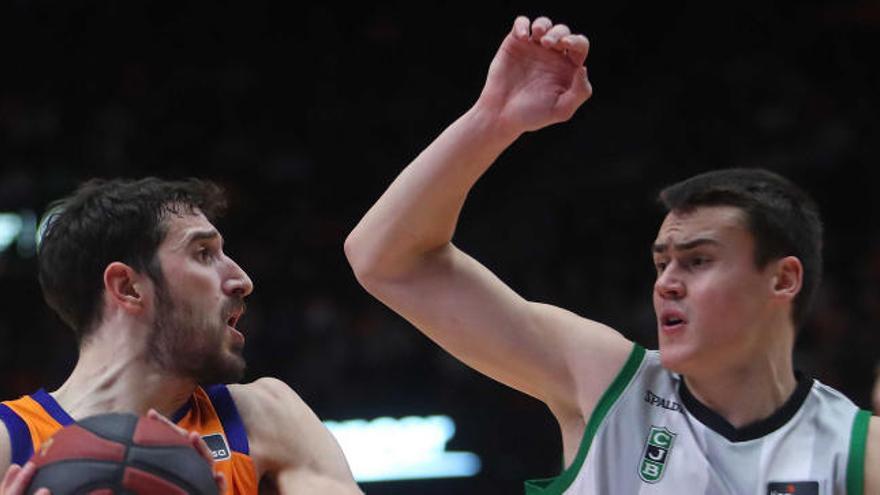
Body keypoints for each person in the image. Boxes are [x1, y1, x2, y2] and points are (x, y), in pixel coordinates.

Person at [344, 15, 879, 494]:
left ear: (782, 279)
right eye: (661, 262)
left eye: (698, 261)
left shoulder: (858, 453)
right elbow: (388, 261)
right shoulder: (606, 384)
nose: (667, 282)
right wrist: (493, 120)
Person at [0, 178, 362, 494]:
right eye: (203, 253)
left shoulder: (264, 416)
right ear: (128, 287)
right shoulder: (8, 444)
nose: (242, 280)